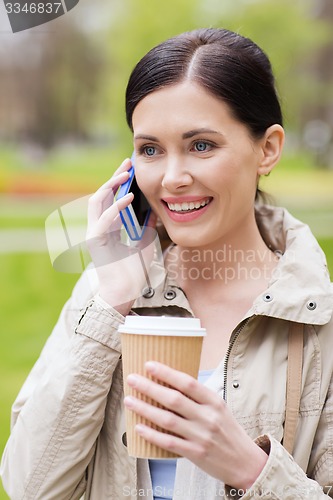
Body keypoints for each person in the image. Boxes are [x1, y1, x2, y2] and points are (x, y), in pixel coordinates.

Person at [1, 27, 333, 500]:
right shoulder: (108, 295)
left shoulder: (319, 319)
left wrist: (250, 469)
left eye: (201, 145)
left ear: (268, 148)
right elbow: (30, 487)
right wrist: (111, 301)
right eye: (150, 150)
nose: (173, 178)